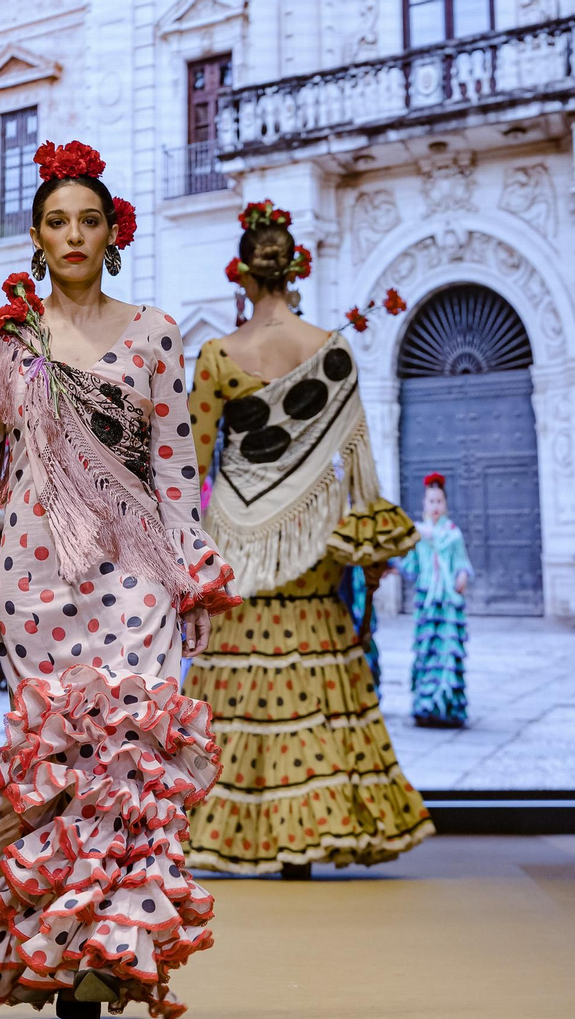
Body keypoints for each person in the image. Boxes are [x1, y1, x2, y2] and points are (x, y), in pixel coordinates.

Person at [0, 140, 237, 1019]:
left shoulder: (155, 334)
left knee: (133, 753)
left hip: (139, 572)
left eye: (88, 220)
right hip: (34, 580)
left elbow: (174, 468)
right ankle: (61, 950)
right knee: (57, 762)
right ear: (36, 236)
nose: (73, 234)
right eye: (56, 221)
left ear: (113, 232)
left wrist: (190, 576)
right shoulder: (0, 341)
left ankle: (112, 957)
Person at [178, 200, 431, 879]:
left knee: (236, 680)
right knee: (315, 664)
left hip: (238, 541)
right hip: (312, 544)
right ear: (295, 272)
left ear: (241, 275)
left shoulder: (216, 356)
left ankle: (241, 836)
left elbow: (193, 464)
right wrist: (369, 553)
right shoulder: (332, 351)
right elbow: (358, 467)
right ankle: (310, 836)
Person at [395, 472, 473, 728]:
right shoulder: (419, 535)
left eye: (439, 501)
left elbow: (461, 561)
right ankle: (425, 706)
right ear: (424, 504)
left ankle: (447, 707)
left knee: (447, 651)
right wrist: (391, 564)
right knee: (427, 650)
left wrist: (462, 575)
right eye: (431, 501)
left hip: (448, 602)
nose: (435, 506)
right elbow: (411, 565)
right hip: (427, 601)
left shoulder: (453, 534)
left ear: (445, 504)